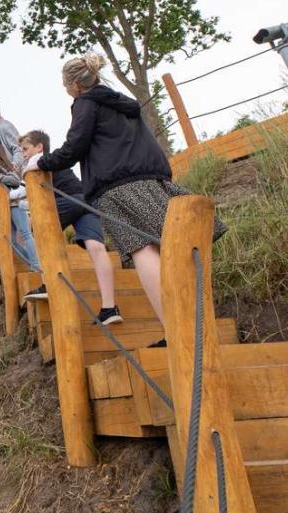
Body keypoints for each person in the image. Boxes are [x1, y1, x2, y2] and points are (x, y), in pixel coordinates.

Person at [25, 53, 225, 343]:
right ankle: (194, 327)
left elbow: (75, 144)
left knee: (140, 248)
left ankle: (177, 331)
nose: (66, 90)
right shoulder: (121, 102)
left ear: (74, 85)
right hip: (152, 178)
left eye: (65, 85)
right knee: (166, 246)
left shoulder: (85, 102)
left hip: (116, 184)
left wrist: (42, 163)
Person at [15, 129, 92, 302]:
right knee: (91, 242)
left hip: (68, 200)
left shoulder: (38, 161)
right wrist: (21, 203)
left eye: (26, 149)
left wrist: (10, 196)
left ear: (39, 147)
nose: (24, 155)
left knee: (41, 230)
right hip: (82, 199)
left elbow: (25, 188)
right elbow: (36, 196)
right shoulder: (52, 163)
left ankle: (48, 282)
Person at [0, 144, 42, 273]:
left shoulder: (5, 166)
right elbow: (7, 186)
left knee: (26, 234)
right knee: (11, 241)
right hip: (7, 207)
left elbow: (15, 181)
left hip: (16, 205)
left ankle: (37, 265)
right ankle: (34, 262)